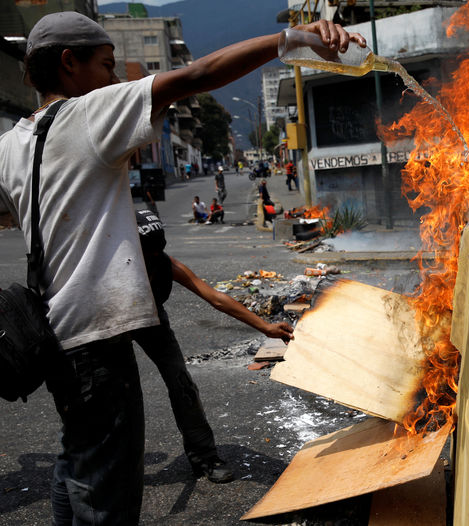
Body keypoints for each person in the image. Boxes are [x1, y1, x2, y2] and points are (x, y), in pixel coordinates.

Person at [0, 10, 363, 524]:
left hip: (53, 336)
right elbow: (197, 75)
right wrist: (294, 38)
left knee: (77, 466)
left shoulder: (12, 144)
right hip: (96, 343)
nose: (114, 79)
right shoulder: (86, 113)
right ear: (68, 65)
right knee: (105, 497)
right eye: (105, 65)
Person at [132, 209, 292, 483]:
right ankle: (115, 465)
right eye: (145, 254)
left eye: (156, 254)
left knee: (182, 384)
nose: (150, 260)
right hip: (111, 323)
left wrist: (265, 327)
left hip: (153, 319)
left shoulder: (165, 263)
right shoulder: (110, 268)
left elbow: (215, 298)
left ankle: (203, 456)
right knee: (122, 395)